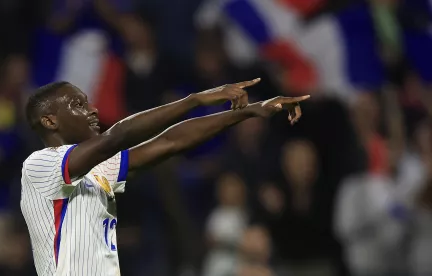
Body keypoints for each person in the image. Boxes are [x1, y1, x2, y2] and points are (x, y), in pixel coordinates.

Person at [20, 78, 309, 276]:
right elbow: (117, 136)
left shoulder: (97, 169)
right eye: (78, 104)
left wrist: (245, 114)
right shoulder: (39, 166)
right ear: (49, 121)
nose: (93, 109)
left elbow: (170, 142)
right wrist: (195, 99)